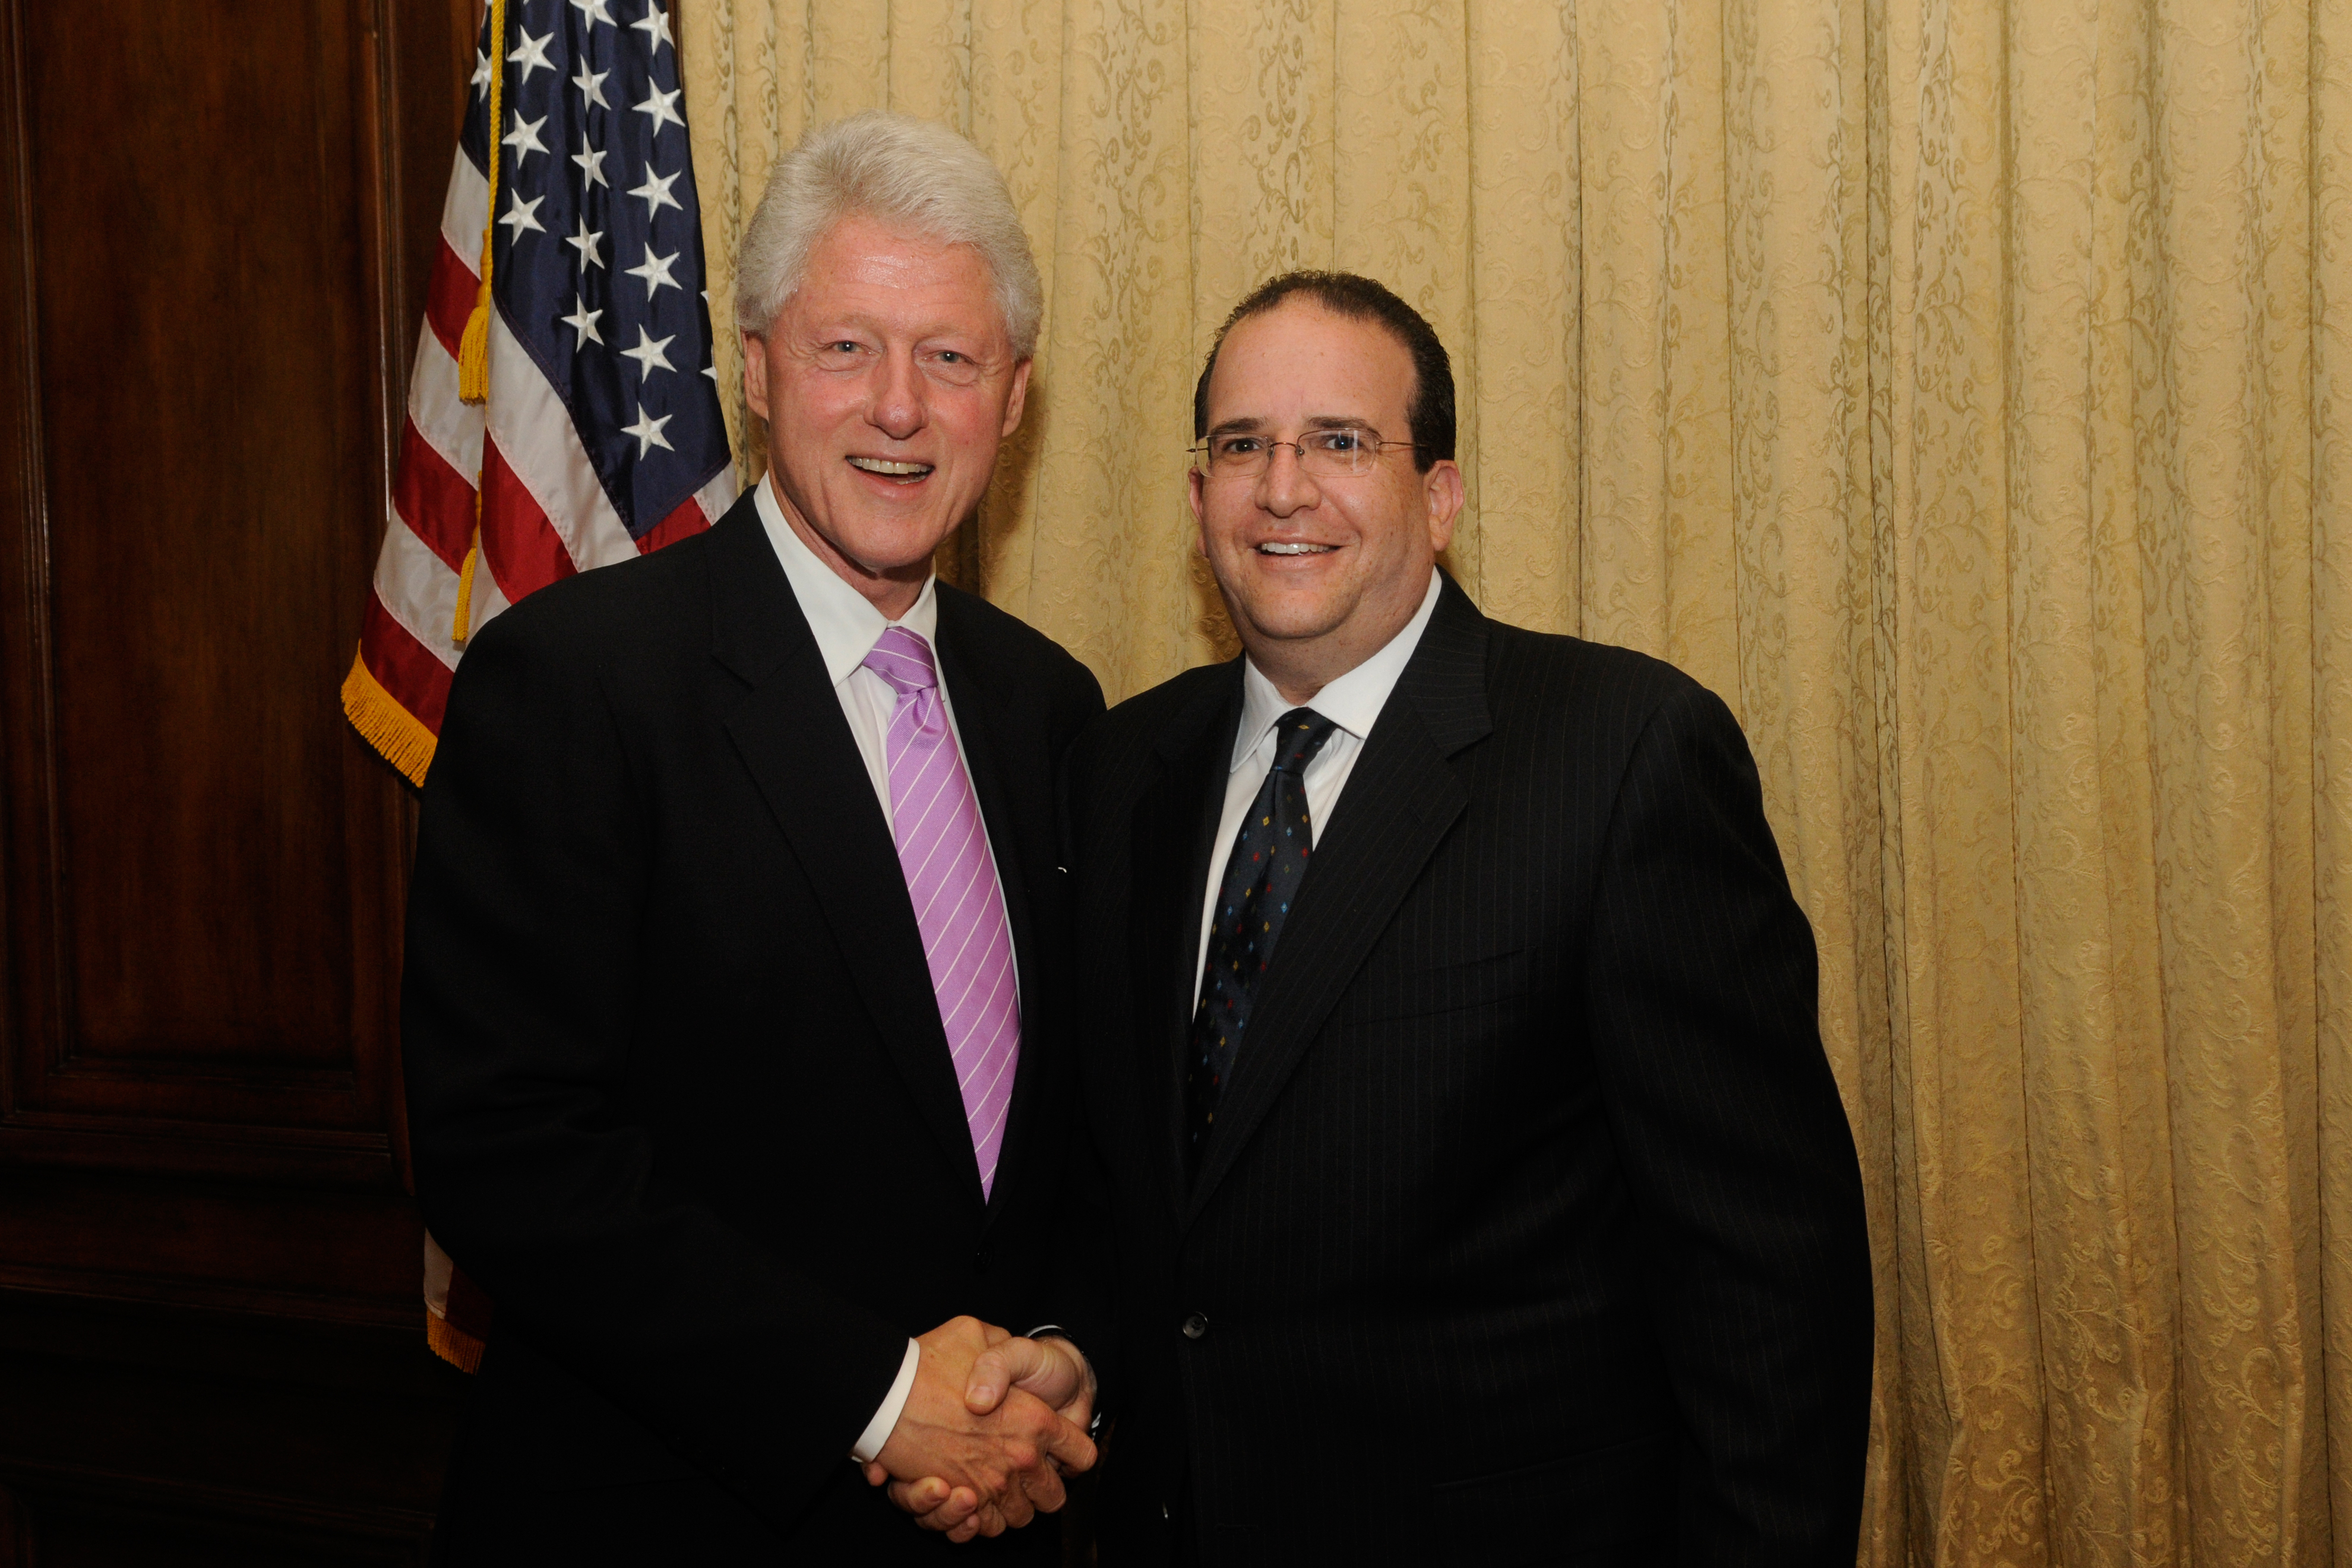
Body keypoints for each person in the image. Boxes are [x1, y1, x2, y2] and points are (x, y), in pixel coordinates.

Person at [1044, 272, 1874, 1564]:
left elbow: (1766, 1282)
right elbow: (1134, 1202)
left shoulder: (1621, 754)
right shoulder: (1121, 772)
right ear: (1197, 490)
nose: (1283, 487)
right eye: (1241, 444)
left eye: (1340, 443)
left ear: (1439, 495)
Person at [403, 112, 1105, 1562]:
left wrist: (1056, 1349)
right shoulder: (576, 682)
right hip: (671, 1516)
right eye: (848, 348)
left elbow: (1073, 1130)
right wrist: (876, 1395)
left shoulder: (1052, 707)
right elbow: (510, 1152)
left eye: (951, 358)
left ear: (1016, 397)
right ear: (758, 369)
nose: (898, 407)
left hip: (1001, 1524)